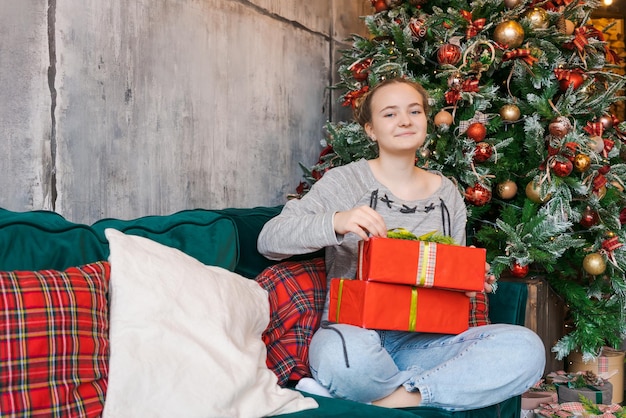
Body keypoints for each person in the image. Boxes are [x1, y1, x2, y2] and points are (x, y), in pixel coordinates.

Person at [257, 77, 545, 410]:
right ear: (371, 130)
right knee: (341, 358)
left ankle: (390, 399)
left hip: (426, 344)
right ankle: (432, 389)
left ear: (425, 120)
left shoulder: (447, 194)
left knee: (526, 349)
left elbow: (451, 285)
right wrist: (337, 221)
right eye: (390, 114)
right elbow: (270, 239)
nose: (405, 120)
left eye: (414, 111)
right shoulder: (347, 181)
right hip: (355, 337)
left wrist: (468, 281)